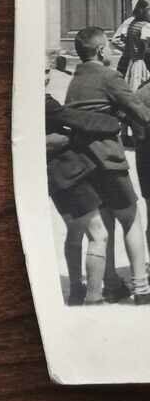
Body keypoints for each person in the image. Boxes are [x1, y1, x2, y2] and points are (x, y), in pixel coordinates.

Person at [64, 26, 150, 304]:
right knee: (131, 219)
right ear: (101, 50)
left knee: (106, 223)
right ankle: (141, 288)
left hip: (83, 163)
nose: (112, 51)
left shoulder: (76, 80)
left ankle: (111, 284)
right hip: (108, 160)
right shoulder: (109, 76)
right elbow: (143, 113)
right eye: (109, 47)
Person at [47, 73, 117, 307]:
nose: (47, 76)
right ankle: (94, 296)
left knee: (75, 231)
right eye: (44, 71)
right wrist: (112, 123)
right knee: (99, 234)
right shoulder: (44, 102)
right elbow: (81, 120)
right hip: (69, 173)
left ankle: (77, 290)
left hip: (55, 179)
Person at [113, 0, 150, 90]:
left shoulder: (136, 23)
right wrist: (132, 49)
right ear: (143, 10)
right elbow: (116, 40)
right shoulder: (132, 22)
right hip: (137, 60)